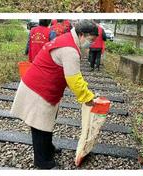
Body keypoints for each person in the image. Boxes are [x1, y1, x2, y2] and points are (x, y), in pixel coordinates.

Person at [11, 20, 99, 169]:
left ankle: (48, 148)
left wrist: (87, 93)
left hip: (43, 85)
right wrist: (87, 98)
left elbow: (75, 76)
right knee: (39, 125)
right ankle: (42, 162)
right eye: (91, 40)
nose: (90, 44)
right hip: (38, 88)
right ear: (82, 35)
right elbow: (74, 80)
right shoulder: (70, 50)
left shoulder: (68, 40)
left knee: (47, 121)